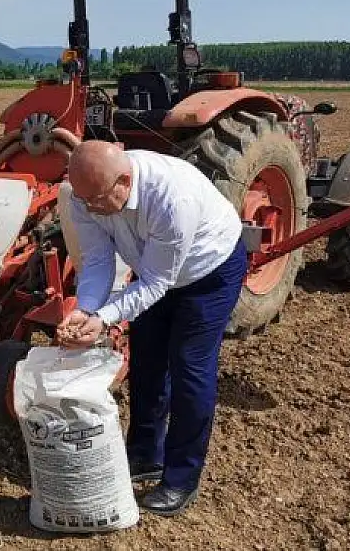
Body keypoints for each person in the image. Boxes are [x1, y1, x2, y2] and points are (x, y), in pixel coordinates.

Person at [55, 140, 248, 517]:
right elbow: (96, 258)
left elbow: (157, 284)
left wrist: (105, 319)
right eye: (84, 200)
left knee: (190, 368)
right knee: (146, 362)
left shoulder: (172, 198)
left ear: (124, 181)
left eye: (97, 200)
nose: (90, 208)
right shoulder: (86, 194)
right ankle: (145, 455)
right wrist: (86, 308)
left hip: (208, 273)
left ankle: (180, 479)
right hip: (152, 270)